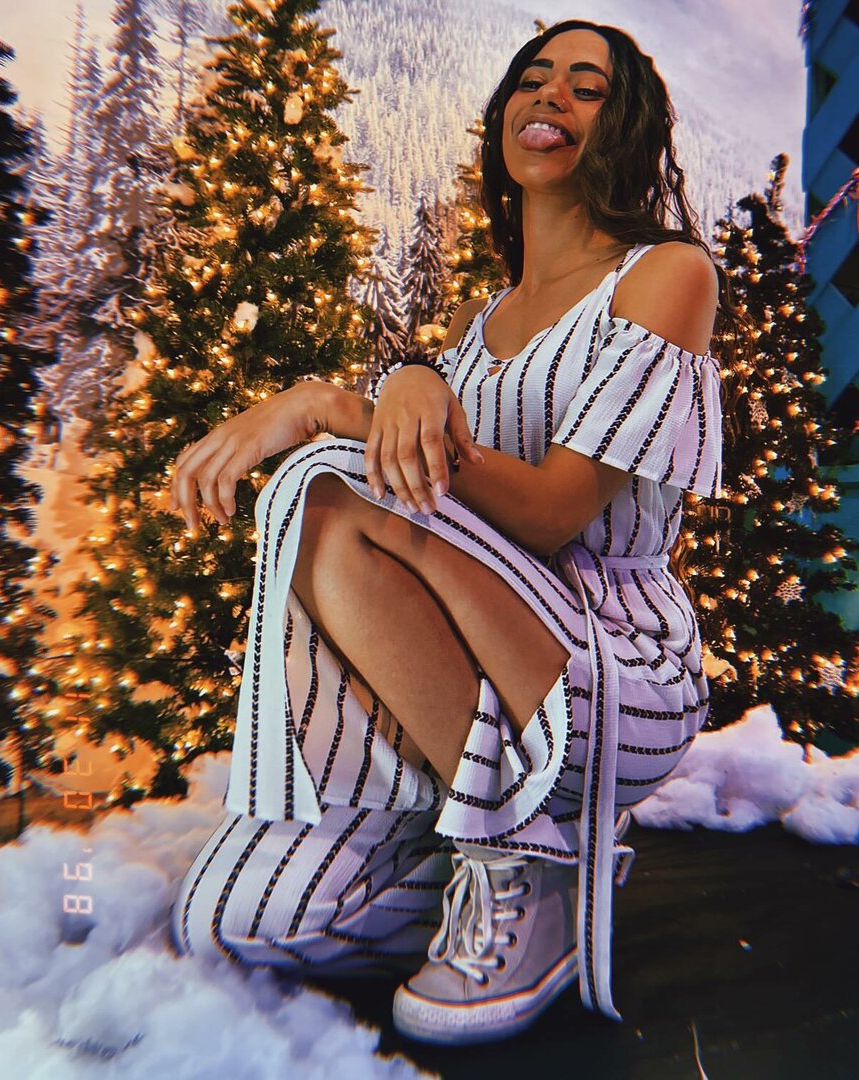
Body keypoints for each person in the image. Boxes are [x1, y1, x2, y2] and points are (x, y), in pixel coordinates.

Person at [168, 19, 740, 1046]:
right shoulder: (480, 324)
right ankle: (472, 832)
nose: (550, 96)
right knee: (240, 919)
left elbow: (552, 512)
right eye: (534, 78)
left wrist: (334, 403)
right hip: (460, 674)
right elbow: (431, 478)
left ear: (625, 126)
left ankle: (524, 859)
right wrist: (415, 381)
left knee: (327, 497)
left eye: (585, 87)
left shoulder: (665, 274)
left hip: (606, 669)